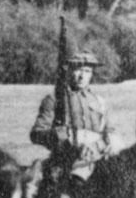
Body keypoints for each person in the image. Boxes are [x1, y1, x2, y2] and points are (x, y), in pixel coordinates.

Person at [32, 48, 115, 181]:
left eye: (87, 71)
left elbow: (111, 134)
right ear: (69, 70)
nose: (82, 76)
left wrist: (96, 146)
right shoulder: (55, 99)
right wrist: (57, 136)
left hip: (97, 160)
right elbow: (37, 134)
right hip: (65, 163)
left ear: (92, 74)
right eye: (78, 70)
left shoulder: (100, 102)